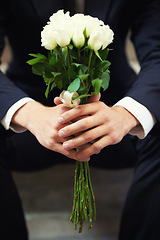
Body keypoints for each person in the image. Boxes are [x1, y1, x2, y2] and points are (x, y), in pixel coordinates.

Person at [0, 0, 160, 239]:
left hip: (114, 117)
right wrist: (30, 114)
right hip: (30, 122)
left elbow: (157, 53)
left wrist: (126, 114)